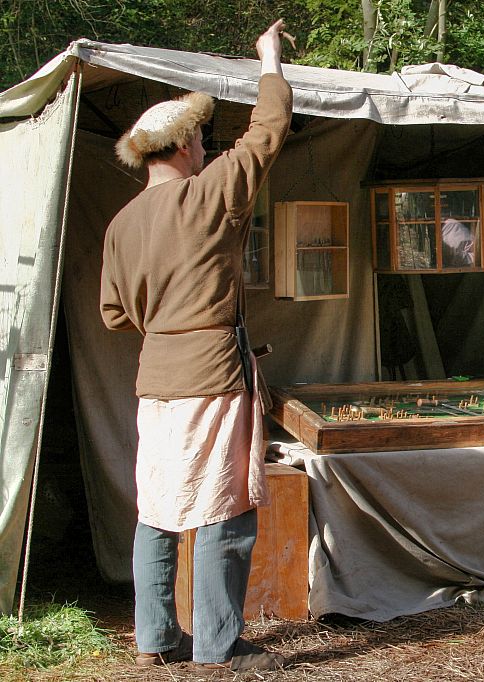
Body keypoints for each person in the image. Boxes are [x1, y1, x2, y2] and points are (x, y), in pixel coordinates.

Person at [99, 20, 293, 671]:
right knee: (224, 510)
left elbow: (114, 314)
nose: (207, 147)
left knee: (156, 510)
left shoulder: (122, 224)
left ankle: (155, 640)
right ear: (183, 145)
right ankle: (218, 645)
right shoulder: (206, 196)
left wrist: (167, 317)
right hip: (209, 376)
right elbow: (266, 134)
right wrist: (269, 60)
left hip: (155, 380)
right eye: (202, 138)